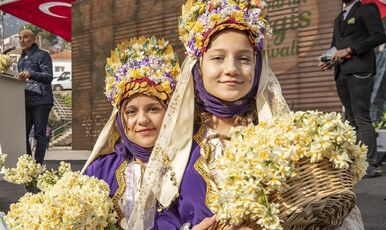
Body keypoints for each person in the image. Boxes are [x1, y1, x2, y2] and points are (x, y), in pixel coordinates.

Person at [128, 1, 366, 230]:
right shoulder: (178, 142)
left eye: (243, 59)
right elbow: (157, 215)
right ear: (198, 66)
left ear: (258, 66)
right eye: (218, 58)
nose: (231, 69)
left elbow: (334, 212)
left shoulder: (286, 138)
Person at [81, 36, 179, 229]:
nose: (142, 120)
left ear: (171, 113)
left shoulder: (187, 167)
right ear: (119, 119)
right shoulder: (100, 172)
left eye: (153, 109)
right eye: (131, 112)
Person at [320, 0, 386, 177]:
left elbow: (379, 35)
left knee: (361, 116)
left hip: (360, 69)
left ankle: (372, 164)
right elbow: (335, 47)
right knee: (351, 119)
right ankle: (357, 163)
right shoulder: (337, 19)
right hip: (342, 72)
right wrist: (328, 59)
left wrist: (349, 49)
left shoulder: (366, 9)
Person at [18, 29, 54, 164]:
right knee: (22, 135)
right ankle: (28, 167)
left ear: (33, 39)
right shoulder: (20, 59)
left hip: (41, 100)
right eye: (20, 37)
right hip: (25, 101)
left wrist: (30, 73)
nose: (22, 40)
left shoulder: (43, 55)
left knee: (39, 134)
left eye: (25, 37)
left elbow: (48, 77)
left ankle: (37, 165)